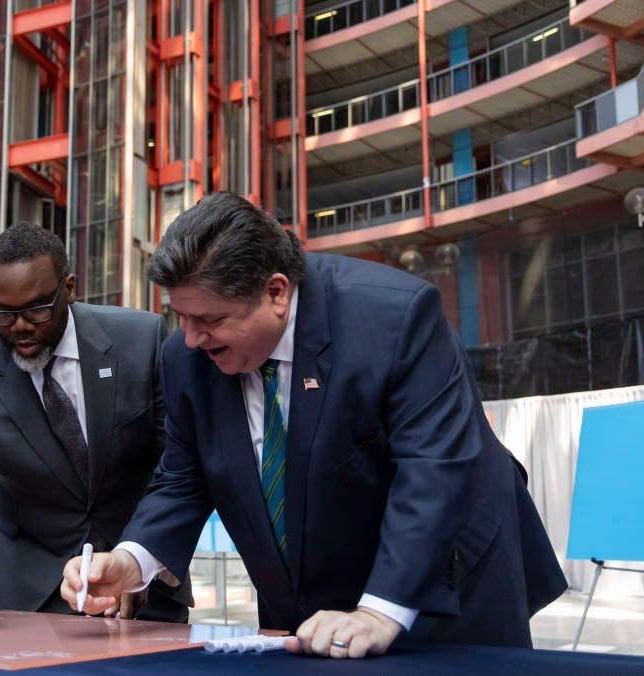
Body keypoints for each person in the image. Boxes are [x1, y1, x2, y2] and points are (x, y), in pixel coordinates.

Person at [61, 191, 567, 657]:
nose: (191, 339)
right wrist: (131, 562)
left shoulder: (395, 319)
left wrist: (379, 609)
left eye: (210, 320)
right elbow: (184, 477)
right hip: (307, 596)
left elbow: (435, 468)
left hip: (441, 581)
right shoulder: (186, 359)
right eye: (181, 317)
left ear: (276, 292)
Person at [0, 221, 191, 621]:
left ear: (69, 288)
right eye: (1, 312)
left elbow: (173, 466)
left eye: (35, 309)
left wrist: (136, 562)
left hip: (144, 571)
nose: (19, 326)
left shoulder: (141, 339)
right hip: (33, 585)